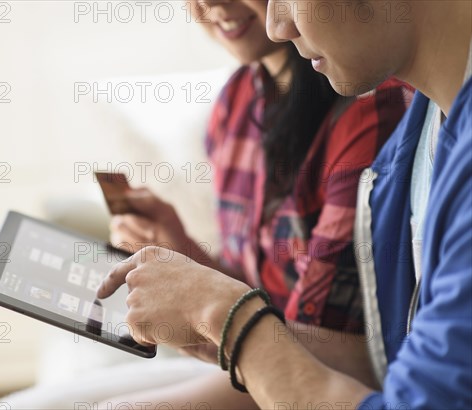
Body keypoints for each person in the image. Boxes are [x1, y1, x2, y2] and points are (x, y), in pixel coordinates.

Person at [98, 1, 472, 409]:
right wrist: (199, 294)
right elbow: (378, 356)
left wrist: (222, 314)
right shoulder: (416, 138)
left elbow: (374, 375)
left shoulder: (381, 127)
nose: (279, 27)